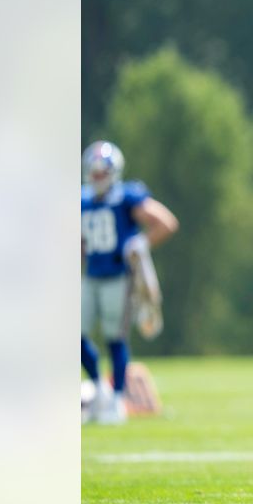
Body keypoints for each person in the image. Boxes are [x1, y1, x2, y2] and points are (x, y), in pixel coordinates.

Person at [81, 141, 179, 424]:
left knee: (115, 338)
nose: (97, 178)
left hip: (119, 277)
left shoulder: (126, 198)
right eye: (94, 172)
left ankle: (116, 400)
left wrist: (142, 241)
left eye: (102, 172)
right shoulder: (83, 201)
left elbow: (165, 221)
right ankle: (100, 387)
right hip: (91, 276)